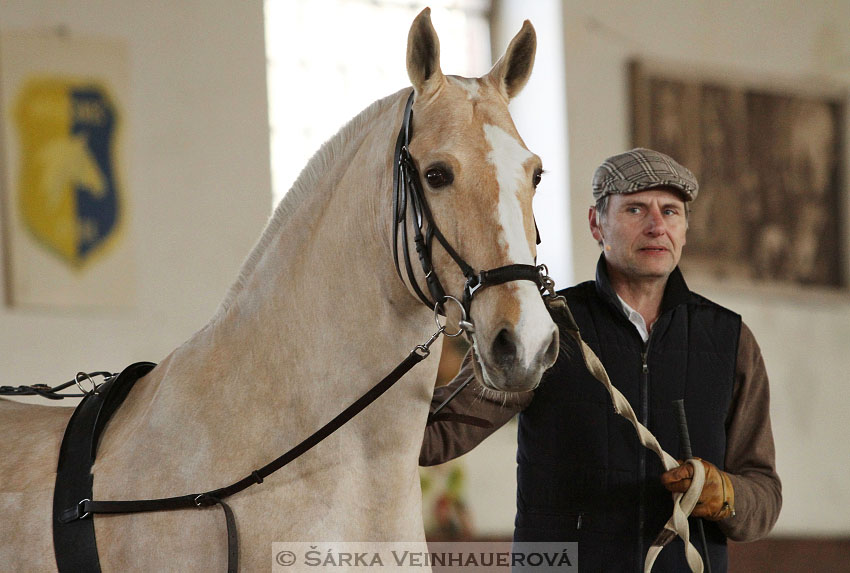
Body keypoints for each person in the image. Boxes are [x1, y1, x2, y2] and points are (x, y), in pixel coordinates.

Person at [420, 148, 781, 572]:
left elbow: (764, 497)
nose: (656, 226)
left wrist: (727, 495)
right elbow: (437, 434)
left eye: (671, 211)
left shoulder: (730, 340)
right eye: (635, 209)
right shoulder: (545, 324)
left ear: (684, 229)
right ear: (597, 223)